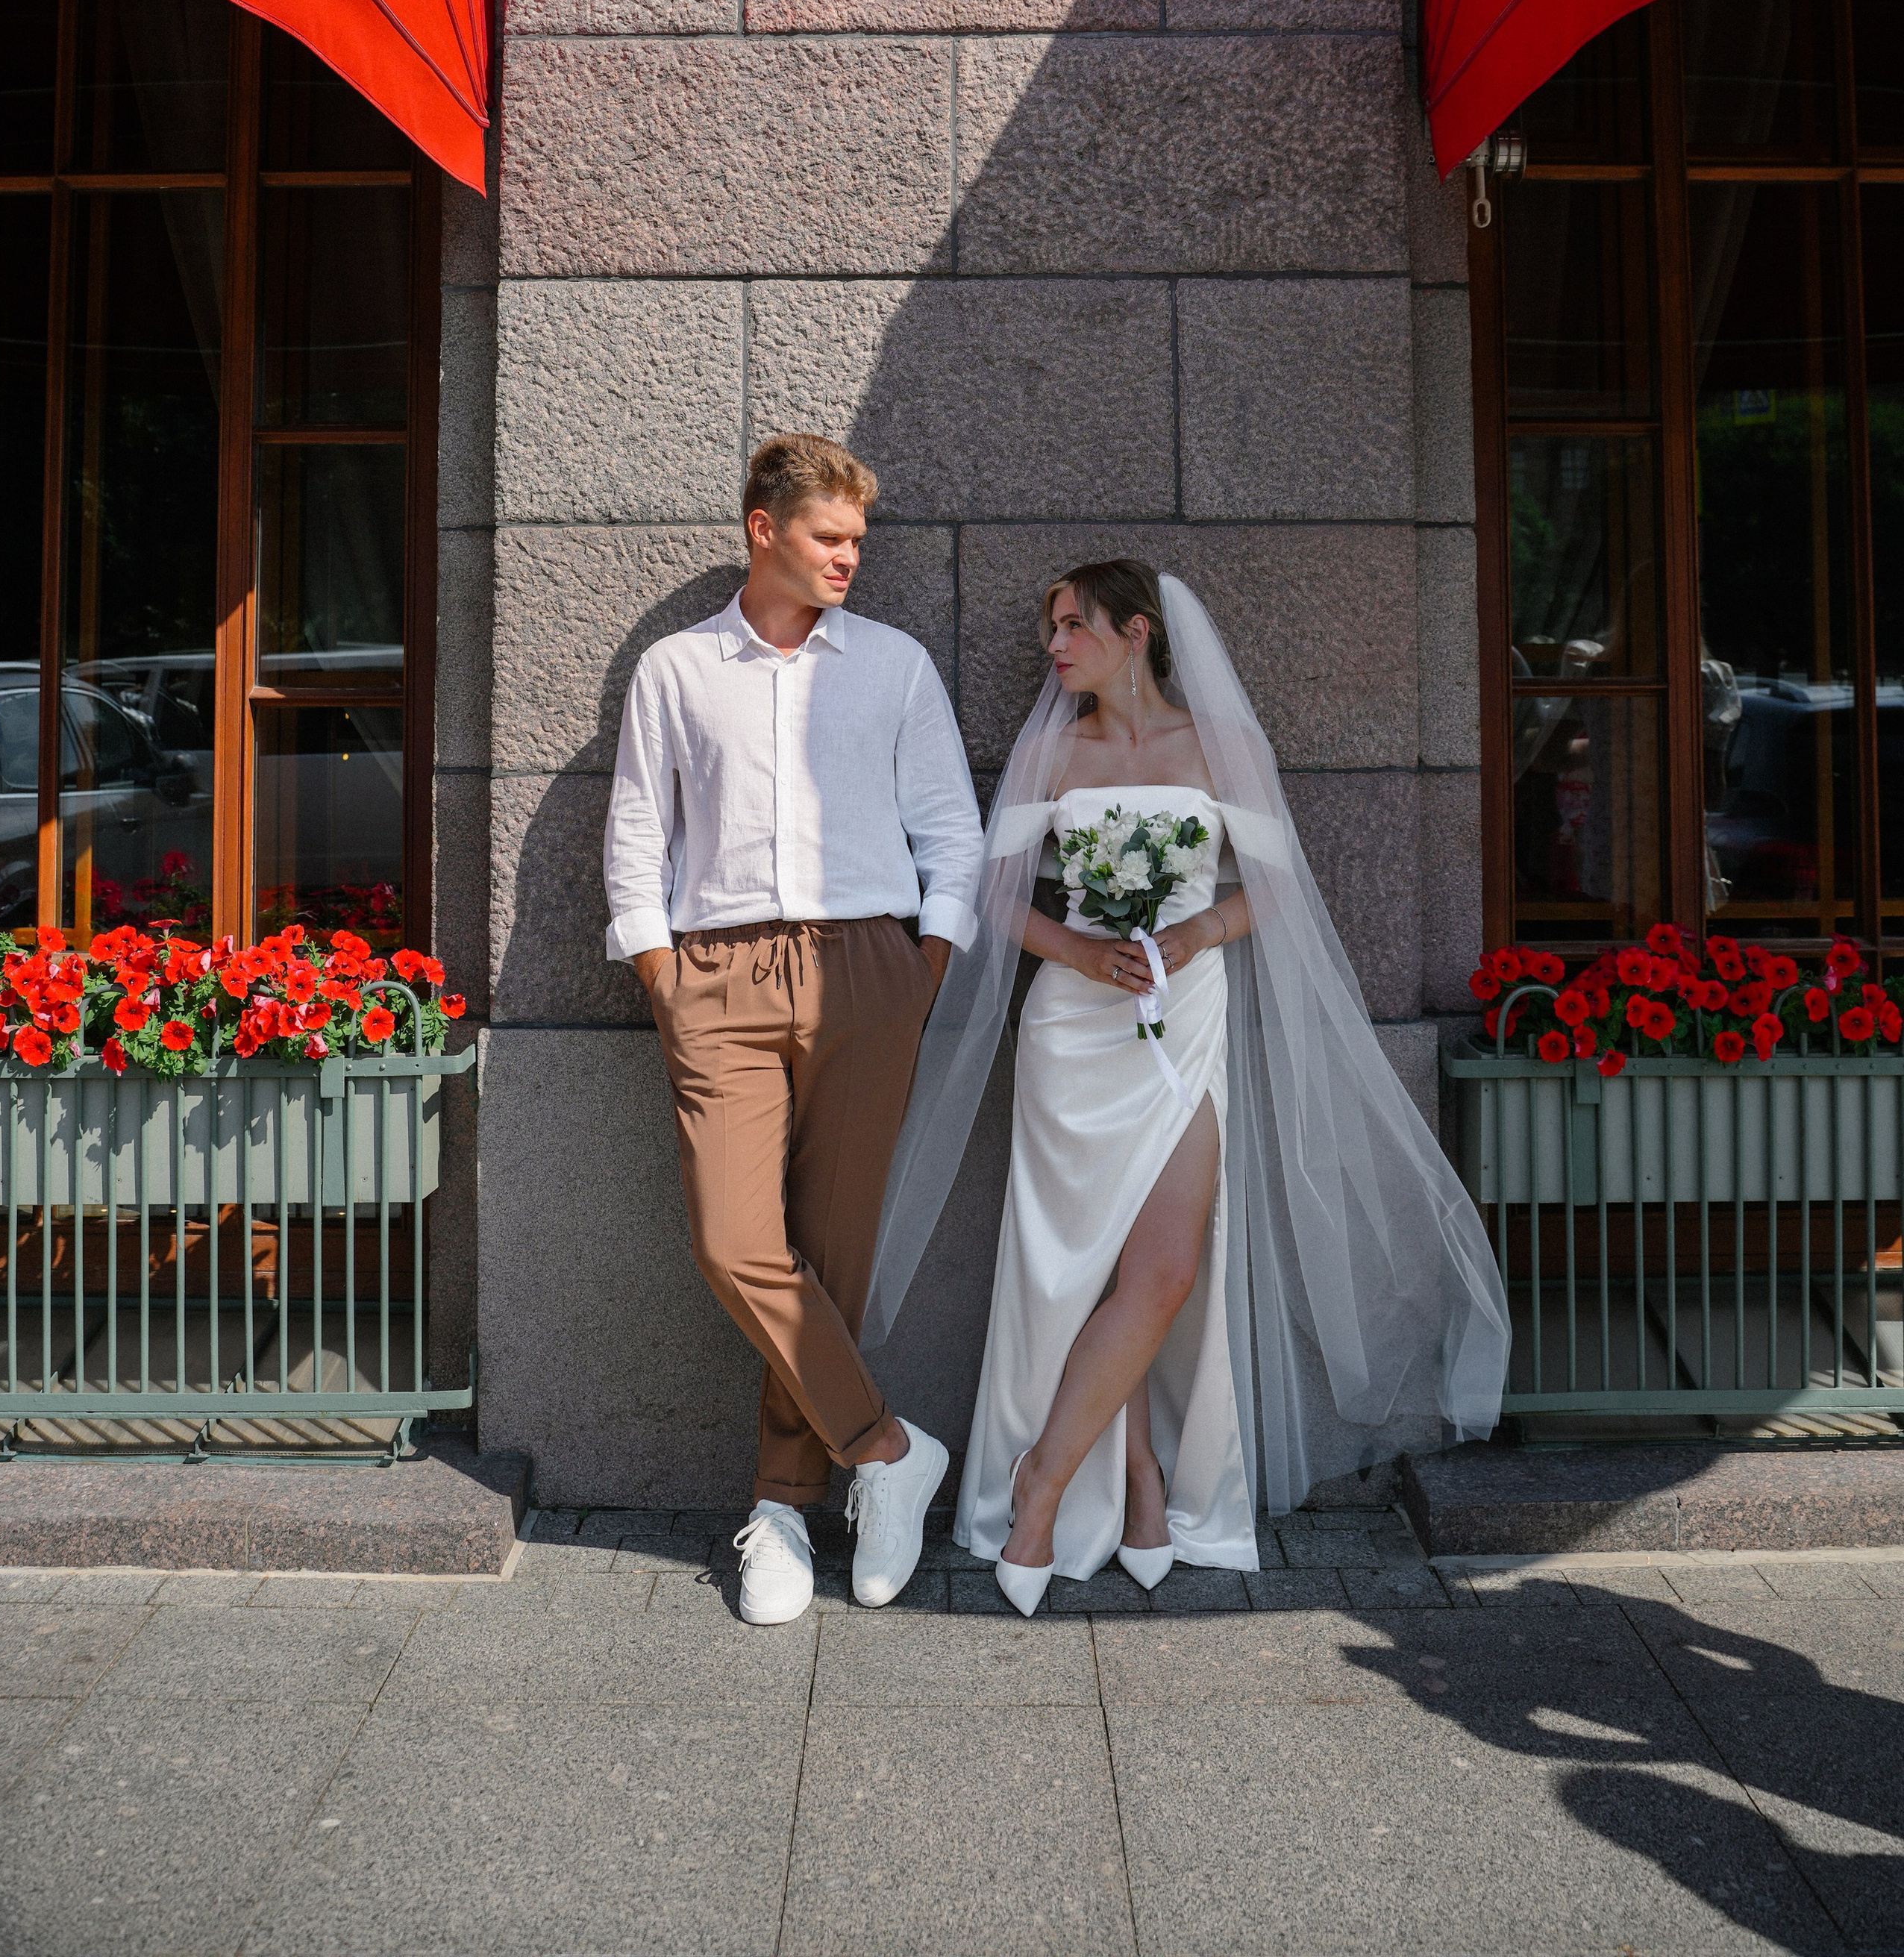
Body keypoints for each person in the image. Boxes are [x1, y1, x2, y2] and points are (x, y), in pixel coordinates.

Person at [862, 560, 1510, 1615]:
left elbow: (1277, 886)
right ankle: (1135, 1478)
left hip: (1182, 1021)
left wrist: (1199, 927)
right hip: (1074, 1033)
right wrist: (1077, 951)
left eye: (1074, 627)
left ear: (1138, 632)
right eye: (1048, 632)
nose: (1056, 648)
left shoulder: (1222, 748)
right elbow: (994, 894)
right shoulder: (1054, 750)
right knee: (1075, 1274)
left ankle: (1042, 1483)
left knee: (1162, 1274)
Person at [604, 433, 983, 1624]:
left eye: (859, 541)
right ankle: (884, 1449)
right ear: (762, 528)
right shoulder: (676, 669)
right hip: (715, 971)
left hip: (868, 967)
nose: (848, 559)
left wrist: (921, 973)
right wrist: (663, 971)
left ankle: (782, 1511)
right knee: (734, 1240)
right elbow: (635, 830)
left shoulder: (893, 665)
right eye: (829, 536)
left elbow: (949, 829)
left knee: (834, 1254)